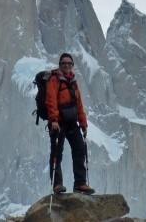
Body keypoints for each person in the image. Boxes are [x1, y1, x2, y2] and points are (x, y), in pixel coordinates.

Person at [46, 52, 95, 195]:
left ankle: (80, 183)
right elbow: (51, 100)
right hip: (59, 122)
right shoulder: (54, 80)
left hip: (72, 122)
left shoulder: (73, 82)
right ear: (60, 65)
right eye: (64, 63)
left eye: (69, 63)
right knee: (57, 153)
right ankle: (57, 184)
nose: (66, 65)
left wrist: (83, 123)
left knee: (80, 150)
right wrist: (54, 120)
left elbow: (79, 104)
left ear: (72, 66)